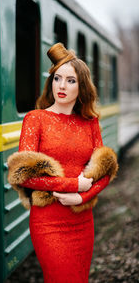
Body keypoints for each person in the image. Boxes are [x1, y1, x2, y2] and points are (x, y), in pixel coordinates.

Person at [14, 43, 111, 282]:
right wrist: (73, 186)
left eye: (70, 80)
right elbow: (25, 175)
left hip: (82, 221)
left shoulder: (90, 123)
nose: (61, 86)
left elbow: (105, 171)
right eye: (57, 78)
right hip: (48, 223)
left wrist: (82, 197)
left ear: (82, 87)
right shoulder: (35, 119)